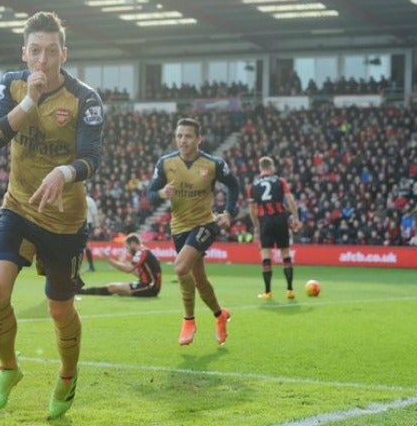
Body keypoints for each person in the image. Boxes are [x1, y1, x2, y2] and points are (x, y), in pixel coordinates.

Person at [0, 11, 104, 419]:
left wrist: (64, 171)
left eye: (52, 51)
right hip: (18, 206)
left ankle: (68, 376)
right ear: (24, 52)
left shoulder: (85, 98)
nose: (43, 60)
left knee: (59, 308)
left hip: (65, 220)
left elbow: (91, 158)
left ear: (64, 54)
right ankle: (8, 368)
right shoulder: (11, 84)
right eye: (35, 51)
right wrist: (29, 102)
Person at [147, 117, 239, 346]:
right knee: (200, 280)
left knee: (180, 267)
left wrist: (228, 212)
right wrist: (161, 194)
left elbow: (233, 185)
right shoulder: (165, 163)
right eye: (179, 136)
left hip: (205, 224)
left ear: (199, 138)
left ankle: (189, 320)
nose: (183, 140)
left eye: (188, 136)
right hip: (179, 228)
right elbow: (149, 195)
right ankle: (220, 315)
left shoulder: (212, 163)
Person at [247, 156, 302, 300]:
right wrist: (296, 218)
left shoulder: (253, 186)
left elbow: (252, 209)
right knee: (285, 253)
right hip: (280, 219)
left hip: (265, 221)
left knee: (266, 255)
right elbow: (289, 199)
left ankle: (268, 292)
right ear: (271, 167)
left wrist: (257, 226)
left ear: (261, 168)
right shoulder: (280, 181)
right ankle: (290, 290)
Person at [76, 233, 161, 297]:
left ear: (133, 243)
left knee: (114, 288)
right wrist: (124, 263)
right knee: (115, 288)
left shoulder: (141, 252)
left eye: (127, 247)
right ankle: (84, 291)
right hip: (149, 286)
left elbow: (128, 269)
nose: (128, 251)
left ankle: (83, 292)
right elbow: (139, 274)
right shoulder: (144, 251)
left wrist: (108, 259)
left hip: (150, 287)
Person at [84, 194, 99, 271]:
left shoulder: (89, 200)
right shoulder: (75, 199)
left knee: (86, 245)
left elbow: (94, 214)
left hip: (86, 224)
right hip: (76, 224)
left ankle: (91, 266)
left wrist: (97, 227)